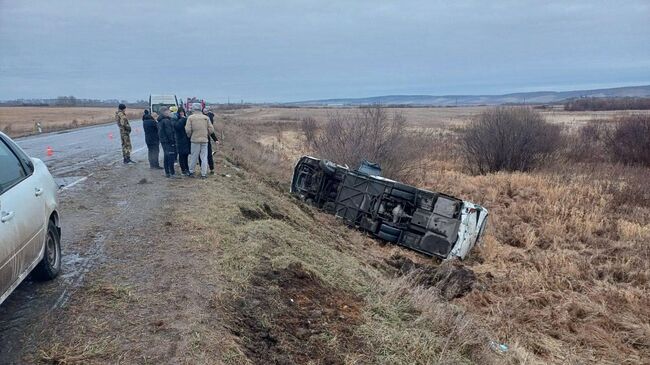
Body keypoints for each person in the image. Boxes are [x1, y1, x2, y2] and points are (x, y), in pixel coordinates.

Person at [186, 103, 215, 178]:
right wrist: (206, 134)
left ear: (193, 109)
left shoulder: (190, 118)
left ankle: (191, 171)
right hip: (204, 139)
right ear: (201, 108)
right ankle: (203, 174)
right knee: (204, 157)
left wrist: (190, 135)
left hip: (194, 140)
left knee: (194, 156)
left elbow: (188, 129)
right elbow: (211, 129)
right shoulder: (206, 118)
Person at [157, 107, 179, 178]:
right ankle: (172, 173)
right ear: (165, 112)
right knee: (170, 157)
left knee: (166, 156)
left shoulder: (160, 120)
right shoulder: (166, 121)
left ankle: (167, 172)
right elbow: (169, 132)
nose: (170, 113)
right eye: (169, 111)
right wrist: (173, 141)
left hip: (163, 141)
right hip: (168, 142)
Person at [174, 107, 191, 175]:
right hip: (180, 139)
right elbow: (177, 126)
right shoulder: (176, 119)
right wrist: (183, 119)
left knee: (186, 155)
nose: (182, 113)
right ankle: (183, 170)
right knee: (181, 155)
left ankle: (187, 168)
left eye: (182, 112)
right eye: (180, 112)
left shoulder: (186, 118)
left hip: (186, 139)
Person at [202, 106, 218, 174]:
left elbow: (211, 130)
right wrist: (215, 140)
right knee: (207, 155)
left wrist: (215, 140)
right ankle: (209, 169)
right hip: (204, 139)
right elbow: (211, 131)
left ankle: (206, 169)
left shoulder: (207, 118)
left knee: (203, 155)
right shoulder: (208, 118)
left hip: (203, 138)